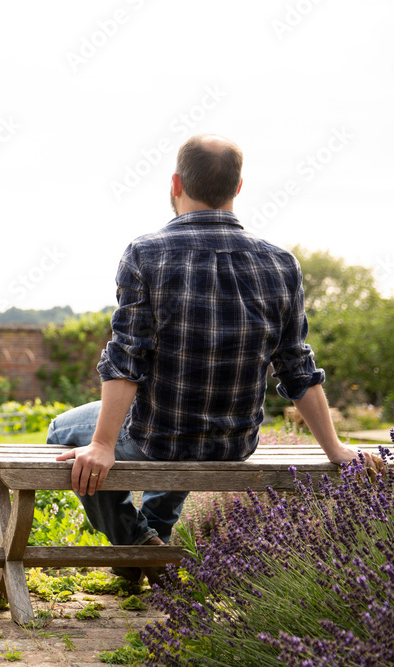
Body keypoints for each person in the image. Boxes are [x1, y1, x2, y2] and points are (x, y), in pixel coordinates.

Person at [46, 134, 368, 585]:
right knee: (173, 418)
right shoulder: (281, 264)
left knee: (62, 431)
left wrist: (101, 444)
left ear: (176, 183)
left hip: (160, 435)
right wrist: (334, 449)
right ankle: (150, 552)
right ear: (238, 188)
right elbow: (297, 366)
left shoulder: (146, 254)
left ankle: (138, 545)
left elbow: (126, 359)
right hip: (234, 442)